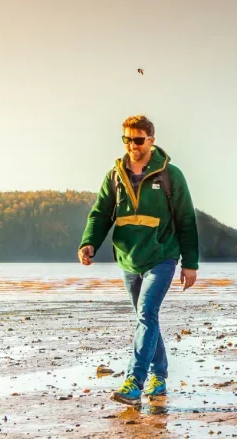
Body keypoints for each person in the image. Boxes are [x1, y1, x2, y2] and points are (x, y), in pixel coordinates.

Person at [78, 115, 199, 405]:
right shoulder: (115, 176)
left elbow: (186, 220)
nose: (133, 145)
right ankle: (160, 375)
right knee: (146, 318)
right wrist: (89, 242)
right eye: (127, 139)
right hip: (128, 259)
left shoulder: (171, 175)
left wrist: (190, 263)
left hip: (162, 255)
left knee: (146, 313)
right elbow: (100, 213)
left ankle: (135, 381)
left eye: (138, 139)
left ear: (151, 140)